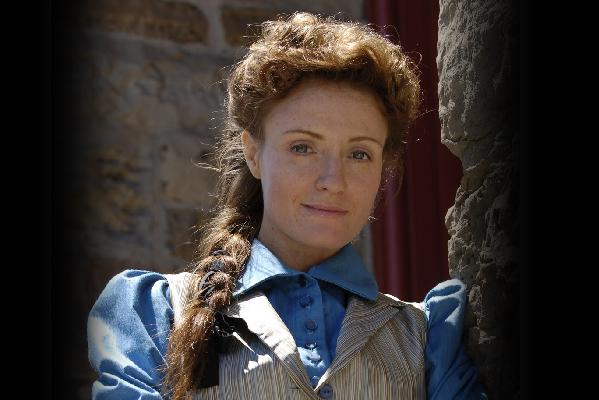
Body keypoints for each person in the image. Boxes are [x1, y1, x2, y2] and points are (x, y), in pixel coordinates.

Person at [87, 12, 487, 400]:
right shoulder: (154, 314)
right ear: (253, 153)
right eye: (302, 147)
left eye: (359, 154)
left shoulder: (429, 337)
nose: (333, 181)